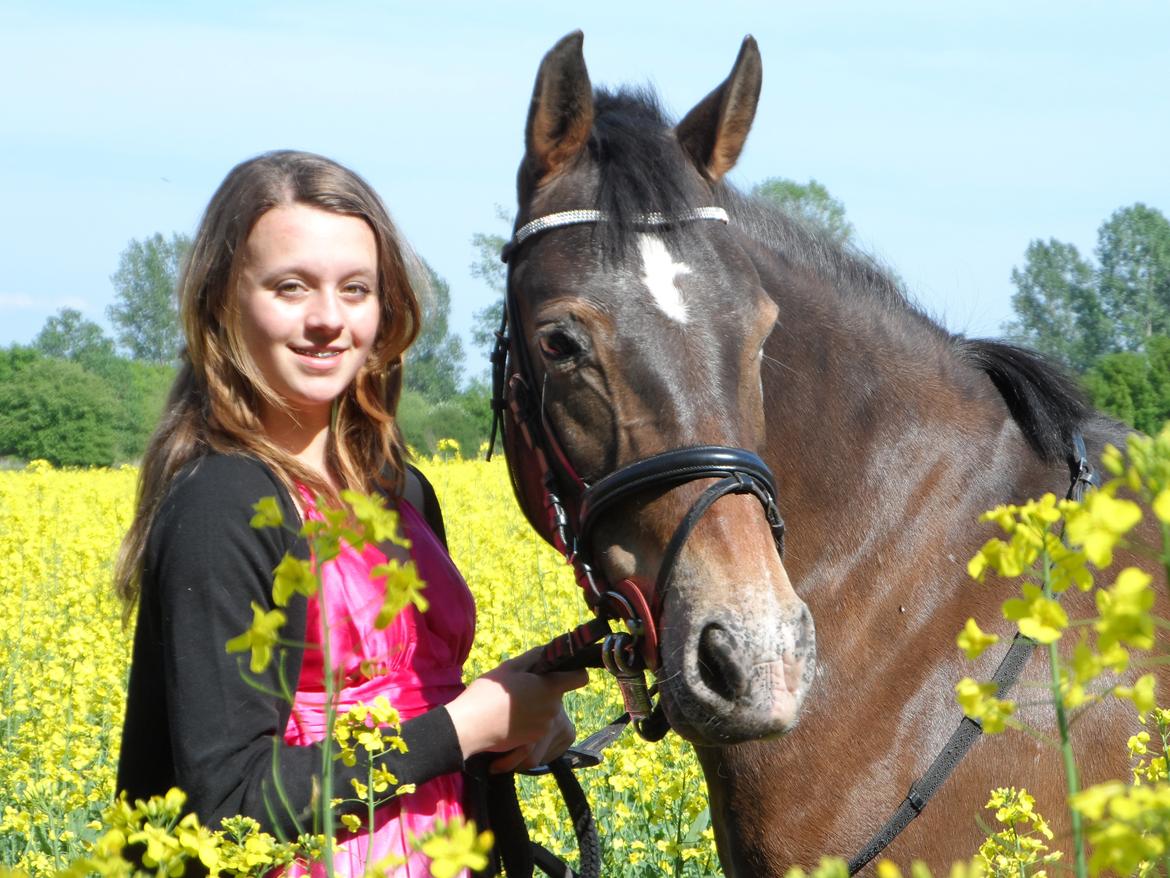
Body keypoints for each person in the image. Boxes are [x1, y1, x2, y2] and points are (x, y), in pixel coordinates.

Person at [114, 150, 588, 875]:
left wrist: (511, 718)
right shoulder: (223, 505)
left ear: (385, 307)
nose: (327, 320)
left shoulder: (400, 489)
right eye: (290, 287)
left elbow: (414, 708)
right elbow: (227, 803)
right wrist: (465, 725)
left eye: (356, 289)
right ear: (221, 302)